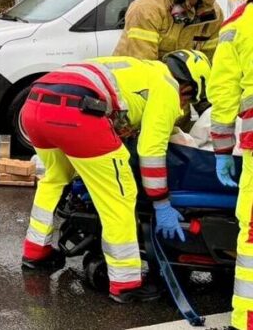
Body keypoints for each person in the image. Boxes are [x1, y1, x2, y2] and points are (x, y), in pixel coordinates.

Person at [20, 50, 212, 303]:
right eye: (188, 99)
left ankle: (36, 252)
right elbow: (151, 151)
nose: (184, 105)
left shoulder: (142, 68)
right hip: (77, 114)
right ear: (190, 85)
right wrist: (161, 201)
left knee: (56, 177)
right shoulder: (167, 87)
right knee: (118, 197)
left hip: (35, 104)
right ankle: (126, 284)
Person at [207, 0, 253, 330]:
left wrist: (222, 149)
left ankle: (245, 322)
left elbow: (223, 95)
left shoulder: (238, 25)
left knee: (251, 232)